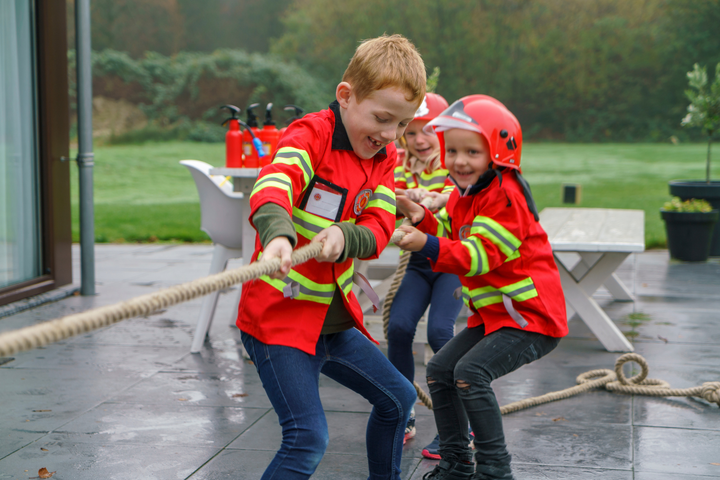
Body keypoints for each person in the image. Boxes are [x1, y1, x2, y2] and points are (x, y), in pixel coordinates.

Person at [236, 34, 425, 480]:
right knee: (307, 438)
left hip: (333, 323)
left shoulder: (383, 157)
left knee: (398, 399)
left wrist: (345, 234)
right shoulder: (310, 135)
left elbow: (379, 228)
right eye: (382, 118)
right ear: (346, 96)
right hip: (280, 321)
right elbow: (274, 183)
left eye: (401, 124)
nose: (389, 135)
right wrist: (278, 235)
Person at [395, 95, 568, 480]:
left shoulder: (505, 198)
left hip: (530, 318)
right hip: (496, 316)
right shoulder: (463, 194)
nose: (459, 160)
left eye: (472, 151)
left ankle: (495, 471)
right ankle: (456, 463)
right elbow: (450, 236)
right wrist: (420, 217)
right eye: (452, 150)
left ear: (499, 152)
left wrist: (425, 244)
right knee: (441, 368)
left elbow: (477, 256)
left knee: (471, 373)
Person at [387, 92, 466, 458]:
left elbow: (456, 193)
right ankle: (403, 413)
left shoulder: (454, 162)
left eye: (427, 132)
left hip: (449, 262)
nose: (419, 140)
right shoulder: (402, 164)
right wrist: (402, 196)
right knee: (399, 327)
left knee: (439, 333)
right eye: (412, 132)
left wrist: (431, 199)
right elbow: (390, 192)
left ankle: (459, 428)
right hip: (420, 264)